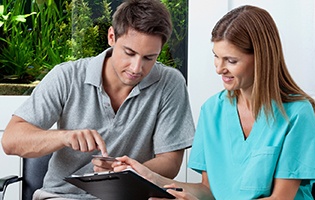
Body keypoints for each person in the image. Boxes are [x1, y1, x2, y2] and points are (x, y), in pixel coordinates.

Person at [111, 5, 315, 200]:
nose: (219, 68)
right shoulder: (213, 110)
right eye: (216, 57)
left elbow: (280, 199)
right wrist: (150, 177)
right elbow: (208, 190)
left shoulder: (296, 114)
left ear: (261, 58)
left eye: (231, 61)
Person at [1, 0, 195, 199]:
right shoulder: (66, 76)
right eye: (129, 53)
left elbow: (170, 161)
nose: (137, 68)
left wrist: (130, 172)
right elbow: (11, 141)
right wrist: (64, 137)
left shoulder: (170, 83)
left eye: (149, 58)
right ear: (112, 36)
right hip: (63, 196)